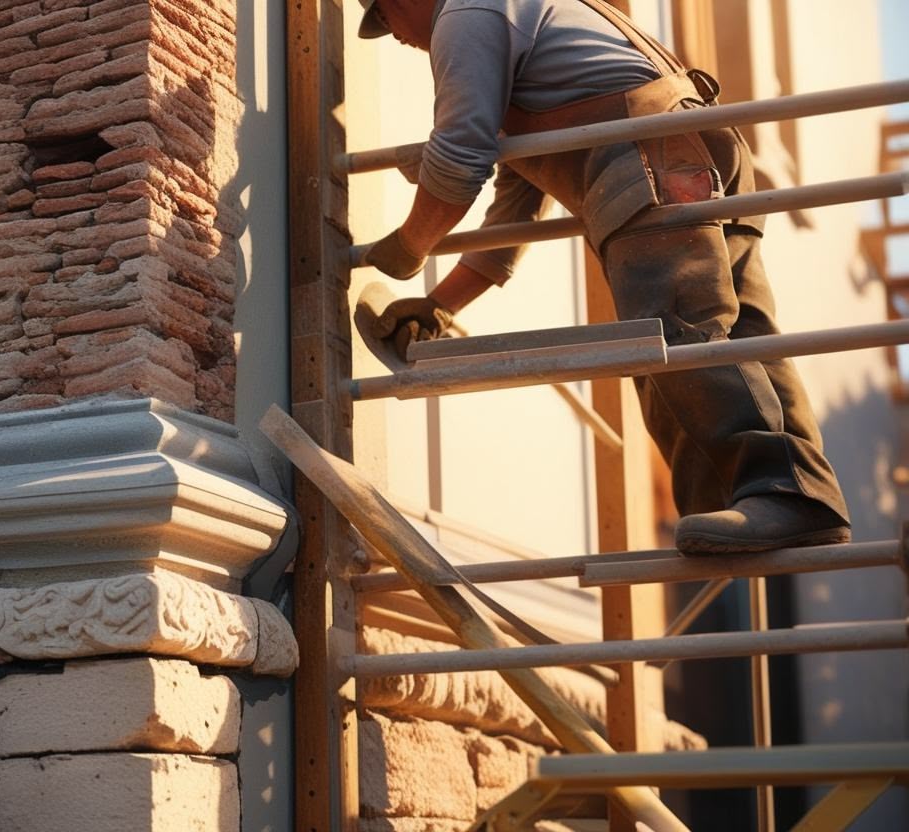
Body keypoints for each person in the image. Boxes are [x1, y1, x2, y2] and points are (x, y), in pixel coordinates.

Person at [354, 0, 850, 554]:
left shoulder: (466, 16)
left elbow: (458, 157)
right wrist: (439, 304)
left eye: (385, 18)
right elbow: (514, 207)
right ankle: (762, 505)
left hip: (648, 156)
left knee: (672, 337)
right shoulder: (518, 28)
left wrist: (409, 246)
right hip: (690, 142)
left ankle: (783, 496)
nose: (394, 38)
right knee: (735, 337)